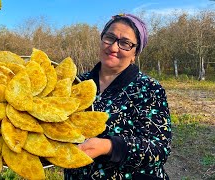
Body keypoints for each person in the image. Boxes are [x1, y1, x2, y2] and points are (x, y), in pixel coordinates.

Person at [64, 13, 172, 180]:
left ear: (135, 53)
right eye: (110, 38)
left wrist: (109, 146)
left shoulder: (149, 89)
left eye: (125, 43)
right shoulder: (77, 83)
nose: (114, 47)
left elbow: (159, 149)